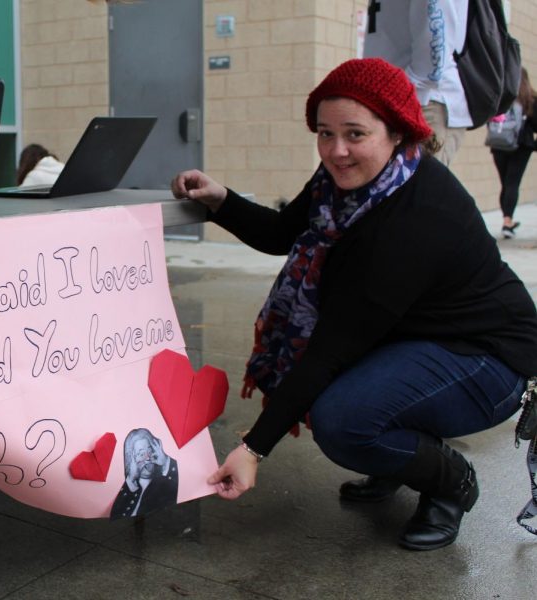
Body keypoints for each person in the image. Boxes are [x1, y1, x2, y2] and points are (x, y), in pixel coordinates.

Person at [172, 58, 537, 551]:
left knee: (343, 420)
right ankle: (397, 458)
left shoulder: (414, 216)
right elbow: (283, 233)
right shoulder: (342, 184)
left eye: (355, 134)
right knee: (352, 397)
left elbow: (331, 348)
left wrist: (253, 449)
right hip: (417, 336)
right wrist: (220, 200)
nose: (336, 150)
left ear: (396, 132)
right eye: (324, 133)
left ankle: (450, 481)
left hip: (488, 361)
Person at [363, 0, 471, 166]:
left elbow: (432, 54)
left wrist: (402, 91)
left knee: (417, 189)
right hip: (395, 101)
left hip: (423, 101)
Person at [491, 67, 537, 239]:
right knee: (512, 183)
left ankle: (506, 218)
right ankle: (507, 221)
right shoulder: (530, 99)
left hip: (499, 145)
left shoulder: (503, 97)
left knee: (505, 184)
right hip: (521, 147)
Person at [110, 428, 178, 518]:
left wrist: (165, 461)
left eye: (150, 451)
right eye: (141, 454)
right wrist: (130, 480)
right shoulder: (130, 486)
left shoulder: (164, 483)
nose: (148, 458)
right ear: (130, 460)